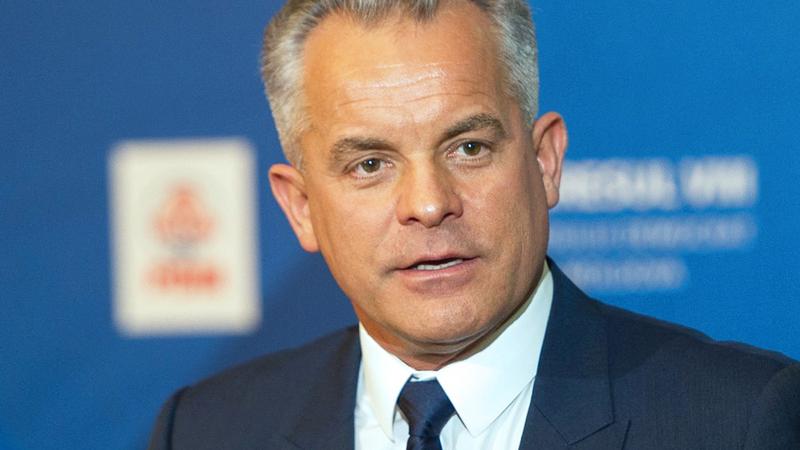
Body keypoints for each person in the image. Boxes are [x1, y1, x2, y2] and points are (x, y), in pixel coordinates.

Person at [148, 1, 800, 448]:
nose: (429, 204)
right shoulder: (205, 431)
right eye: (370, 164)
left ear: (544, 163)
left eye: (468, 148)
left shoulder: (738, 421)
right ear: (301, 207)